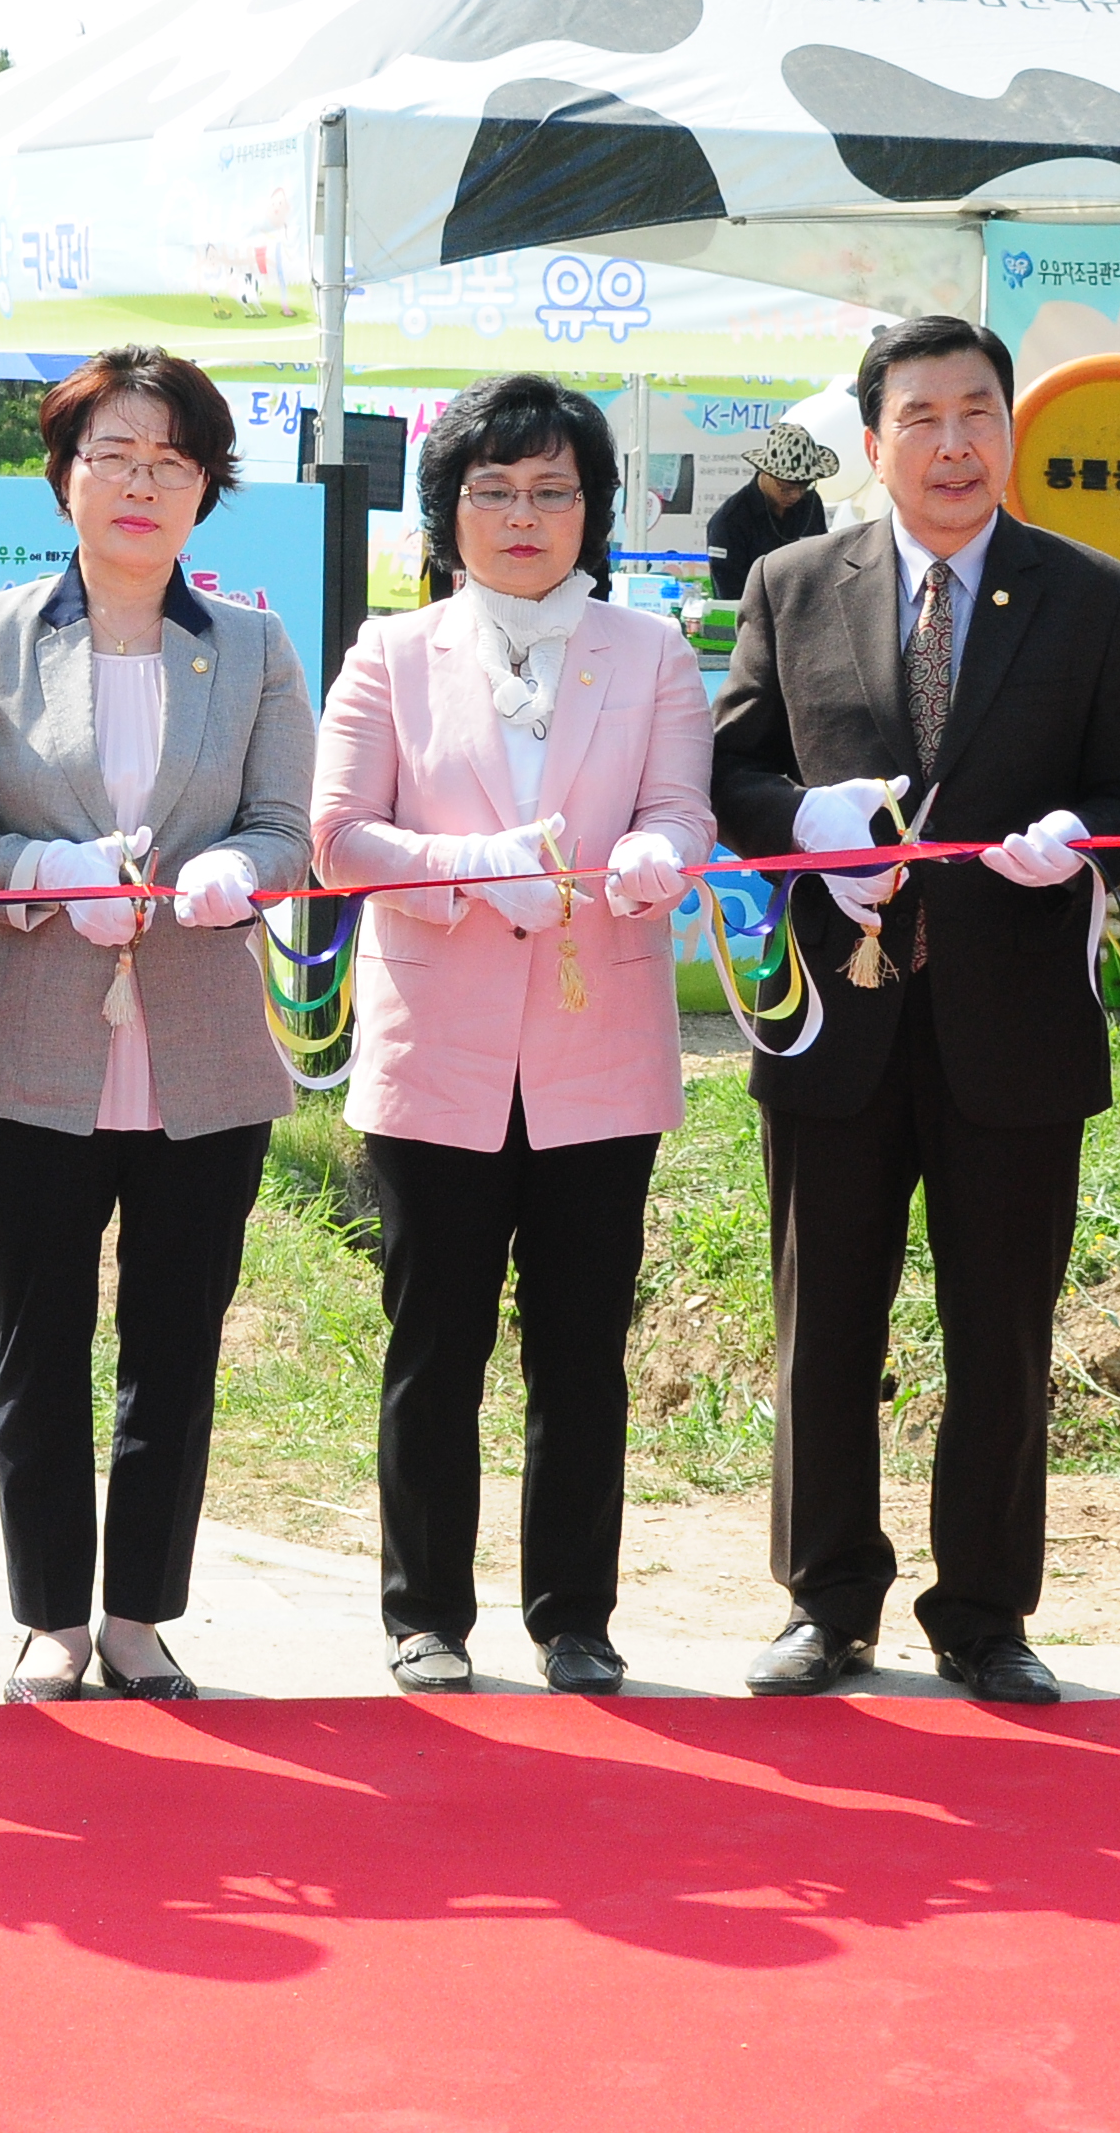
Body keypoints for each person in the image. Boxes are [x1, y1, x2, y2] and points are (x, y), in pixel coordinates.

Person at [708, 316, 1120, 1705]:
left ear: (1011, 430)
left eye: (979, 412)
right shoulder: (792, 582)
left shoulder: (1092, 594)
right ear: (872, 443)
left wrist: (1089, 833)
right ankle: (826, 1599)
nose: (955, 443)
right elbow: (733, 777)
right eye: (923, 418)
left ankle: (984, 1612)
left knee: (1003, 1333)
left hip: (1015, 1023)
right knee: (824, 1326)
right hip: (836, 1022)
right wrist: (809, 820)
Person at [0, 347, 313, 1705]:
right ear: (64, 478)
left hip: (202, 1055)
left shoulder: (253, 646)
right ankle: (49, 1620)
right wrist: (41, 880)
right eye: (112, 457)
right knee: (38, 1347)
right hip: (30, 1053)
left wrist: (239, 876)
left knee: (175, 1349)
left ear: (207, 491)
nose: (139, 485)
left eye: (171, 463)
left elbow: (285, 828)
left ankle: (138, 1615)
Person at [311, 373, 715, 1696]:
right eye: (494, 491)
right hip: (439, 1056)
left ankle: (574, 1616)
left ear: (594, 507)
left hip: (601, 1054)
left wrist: (661, 851)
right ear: (449, 510)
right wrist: (476, 863)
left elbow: (683, 810)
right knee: (435, 1341)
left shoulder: (650, 649)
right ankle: (423, 1610)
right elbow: (335, 837)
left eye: (552, 490)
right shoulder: (389, 651)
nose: (524, 515)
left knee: (581, 1347)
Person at [704, 421, 837, 598]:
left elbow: (823, 563)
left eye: (804, 485)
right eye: (786, 487)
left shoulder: (810, 501)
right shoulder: (730, 521)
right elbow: (731, 595)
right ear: (766, 472)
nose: (796, 495)